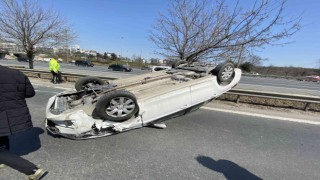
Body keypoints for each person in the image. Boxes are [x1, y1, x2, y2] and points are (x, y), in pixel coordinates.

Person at [0, 65, 48, 180]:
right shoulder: (16, 73)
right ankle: (3, 159)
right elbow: (30, 93)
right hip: (15, 115)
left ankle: (32, 170)